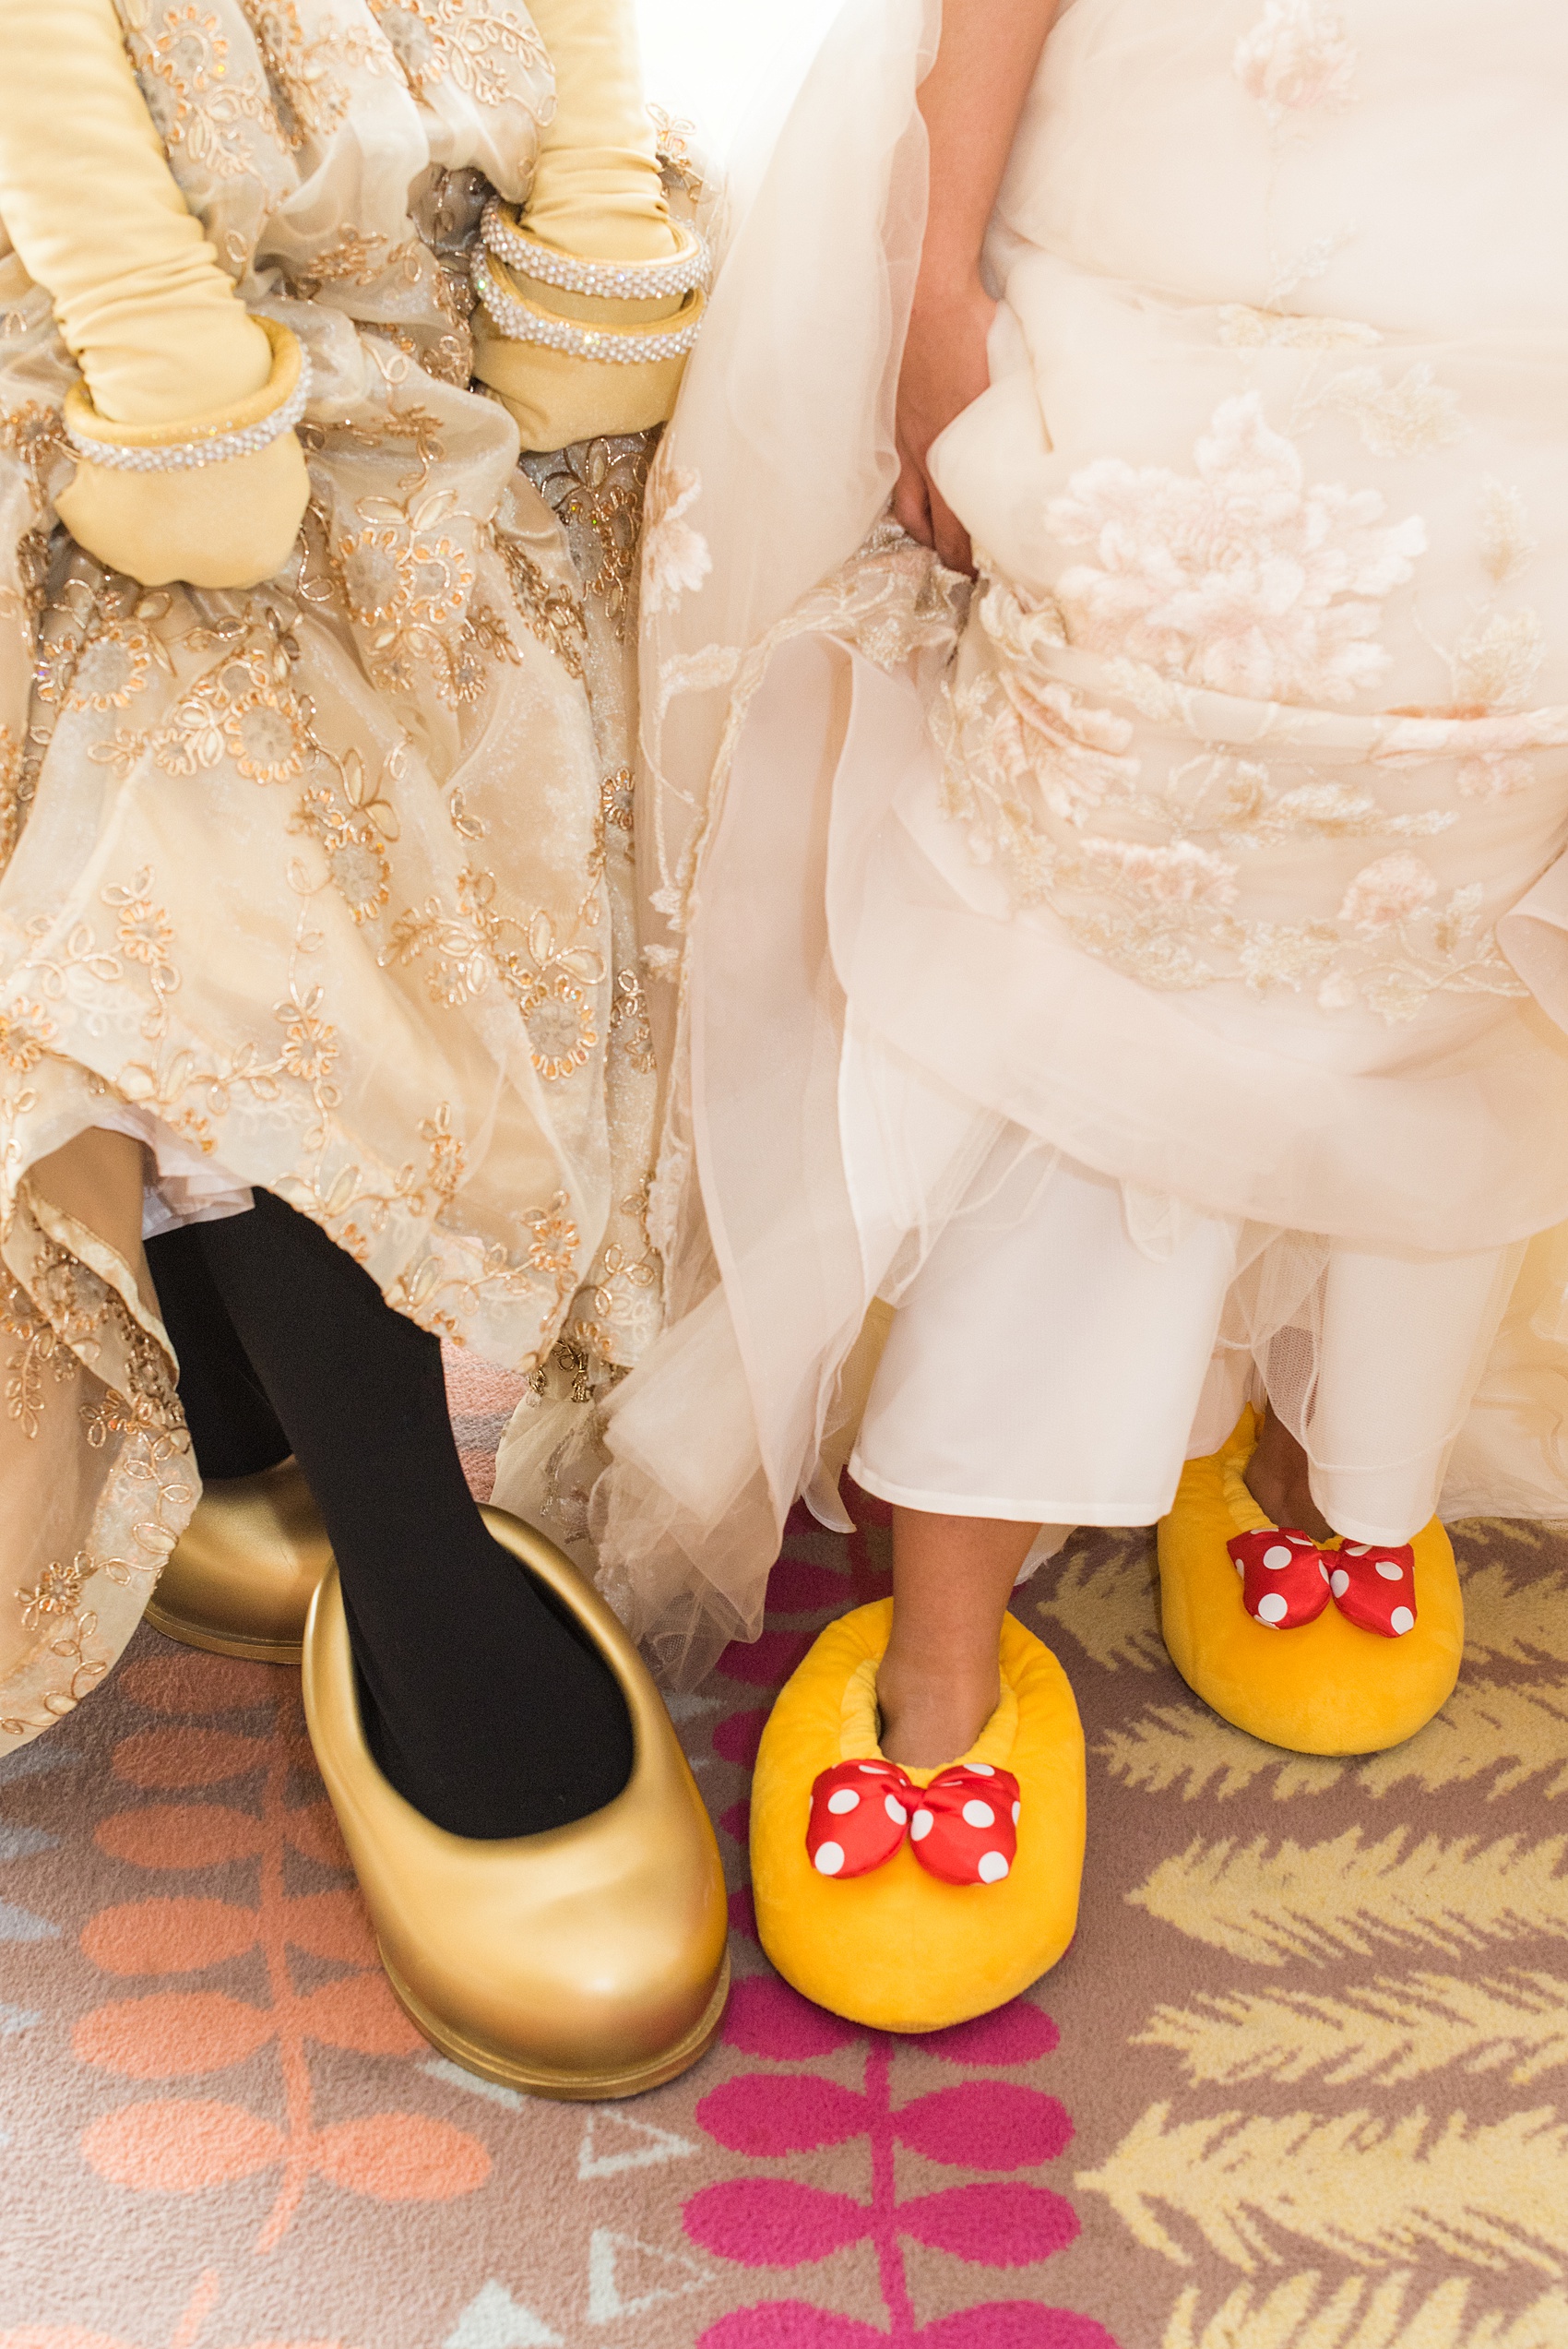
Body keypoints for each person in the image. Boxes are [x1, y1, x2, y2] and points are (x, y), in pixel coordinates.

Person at [501, 0, 1568, 2028]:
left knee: (1465, 875)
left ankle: (1327, 1455)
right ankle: (944, 1630)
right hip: (1176, 247)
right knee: (1090, 871)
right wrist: (929, 279)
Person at [0, 0, 726, 2096]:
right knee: (237, 907)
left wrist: (580, 286)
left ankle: (248, 1423)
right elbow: (112, 260)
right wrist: (199, 419)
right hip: (127, 405)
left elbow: (574, 107)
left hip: (433, 389)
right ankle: (405, 1556)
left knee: (450, 838)